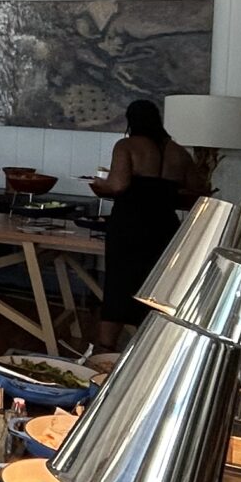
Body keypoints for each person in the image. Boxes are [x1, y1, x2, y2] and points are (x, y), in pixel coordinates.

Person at [89, 98, 205, 346]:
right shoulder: (179, 152)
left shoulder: (126, 146)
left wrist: (99, 185)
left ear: (131, 121)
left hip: (129, 226)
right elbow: (197, 190)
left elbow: (118, 185)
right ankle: (151, 348)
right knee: (157, 289)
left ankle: (105, 351)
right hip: (165, 228)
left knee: (118, 287)